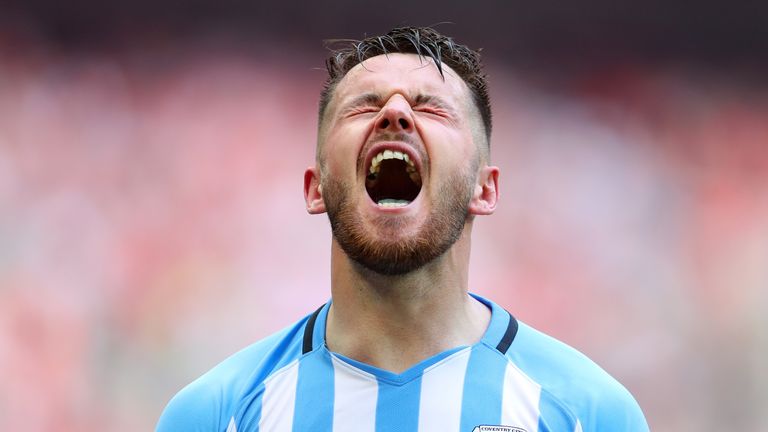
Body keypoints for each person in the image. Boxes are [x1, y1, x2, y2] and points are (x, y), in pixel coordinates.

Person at [156, 26, 649, 432]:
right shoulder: (216, 414)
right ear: (316, 188)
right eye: (364, 106)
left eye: (431, 107)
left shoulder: (589, 412)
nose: (395, 113)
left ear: (486, 190)